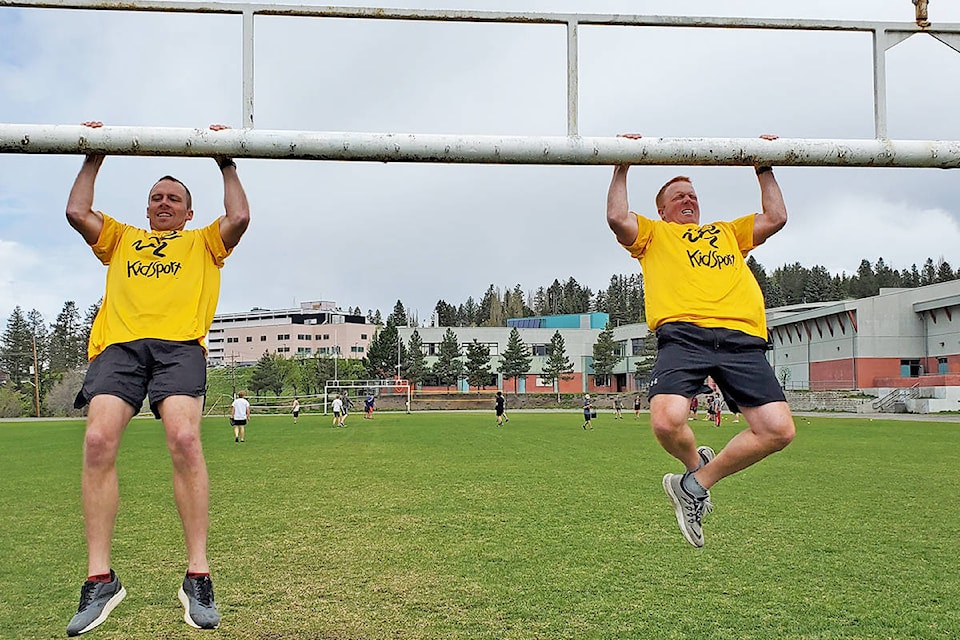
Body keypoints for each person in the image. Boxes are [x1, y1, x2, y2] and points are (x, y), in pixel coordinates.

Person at [65, 122, 249, 634]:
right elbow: (77, 212)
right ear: (147, 208)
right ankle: (100, 579)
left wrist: (225, 160)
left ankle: (198, 574)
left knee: (185, 438)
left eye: (174, 198)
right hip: (120, 347)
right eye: (156, 198)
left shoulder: (203, 243)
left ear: (189, 211)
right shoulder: (122, 238)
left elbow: (240, 216)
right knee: (98, 441)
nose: (164, 203)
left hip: (178, 347)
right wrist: (94, 157)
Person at [606, 134, 796, 548]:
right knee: (666, 420)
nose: (688, 200)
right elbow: (618, 218)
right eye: (678, 197)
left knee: (778, 431)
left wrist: (762, 166)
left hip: (742, 337)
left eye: (692, 195)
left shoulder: (727, 232)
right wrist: (621, 165)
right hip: (684, 334)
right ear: (661, 209)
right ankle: (695, 465)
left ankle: (694, 484)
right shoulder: (654, 235)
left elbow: (776, 215)